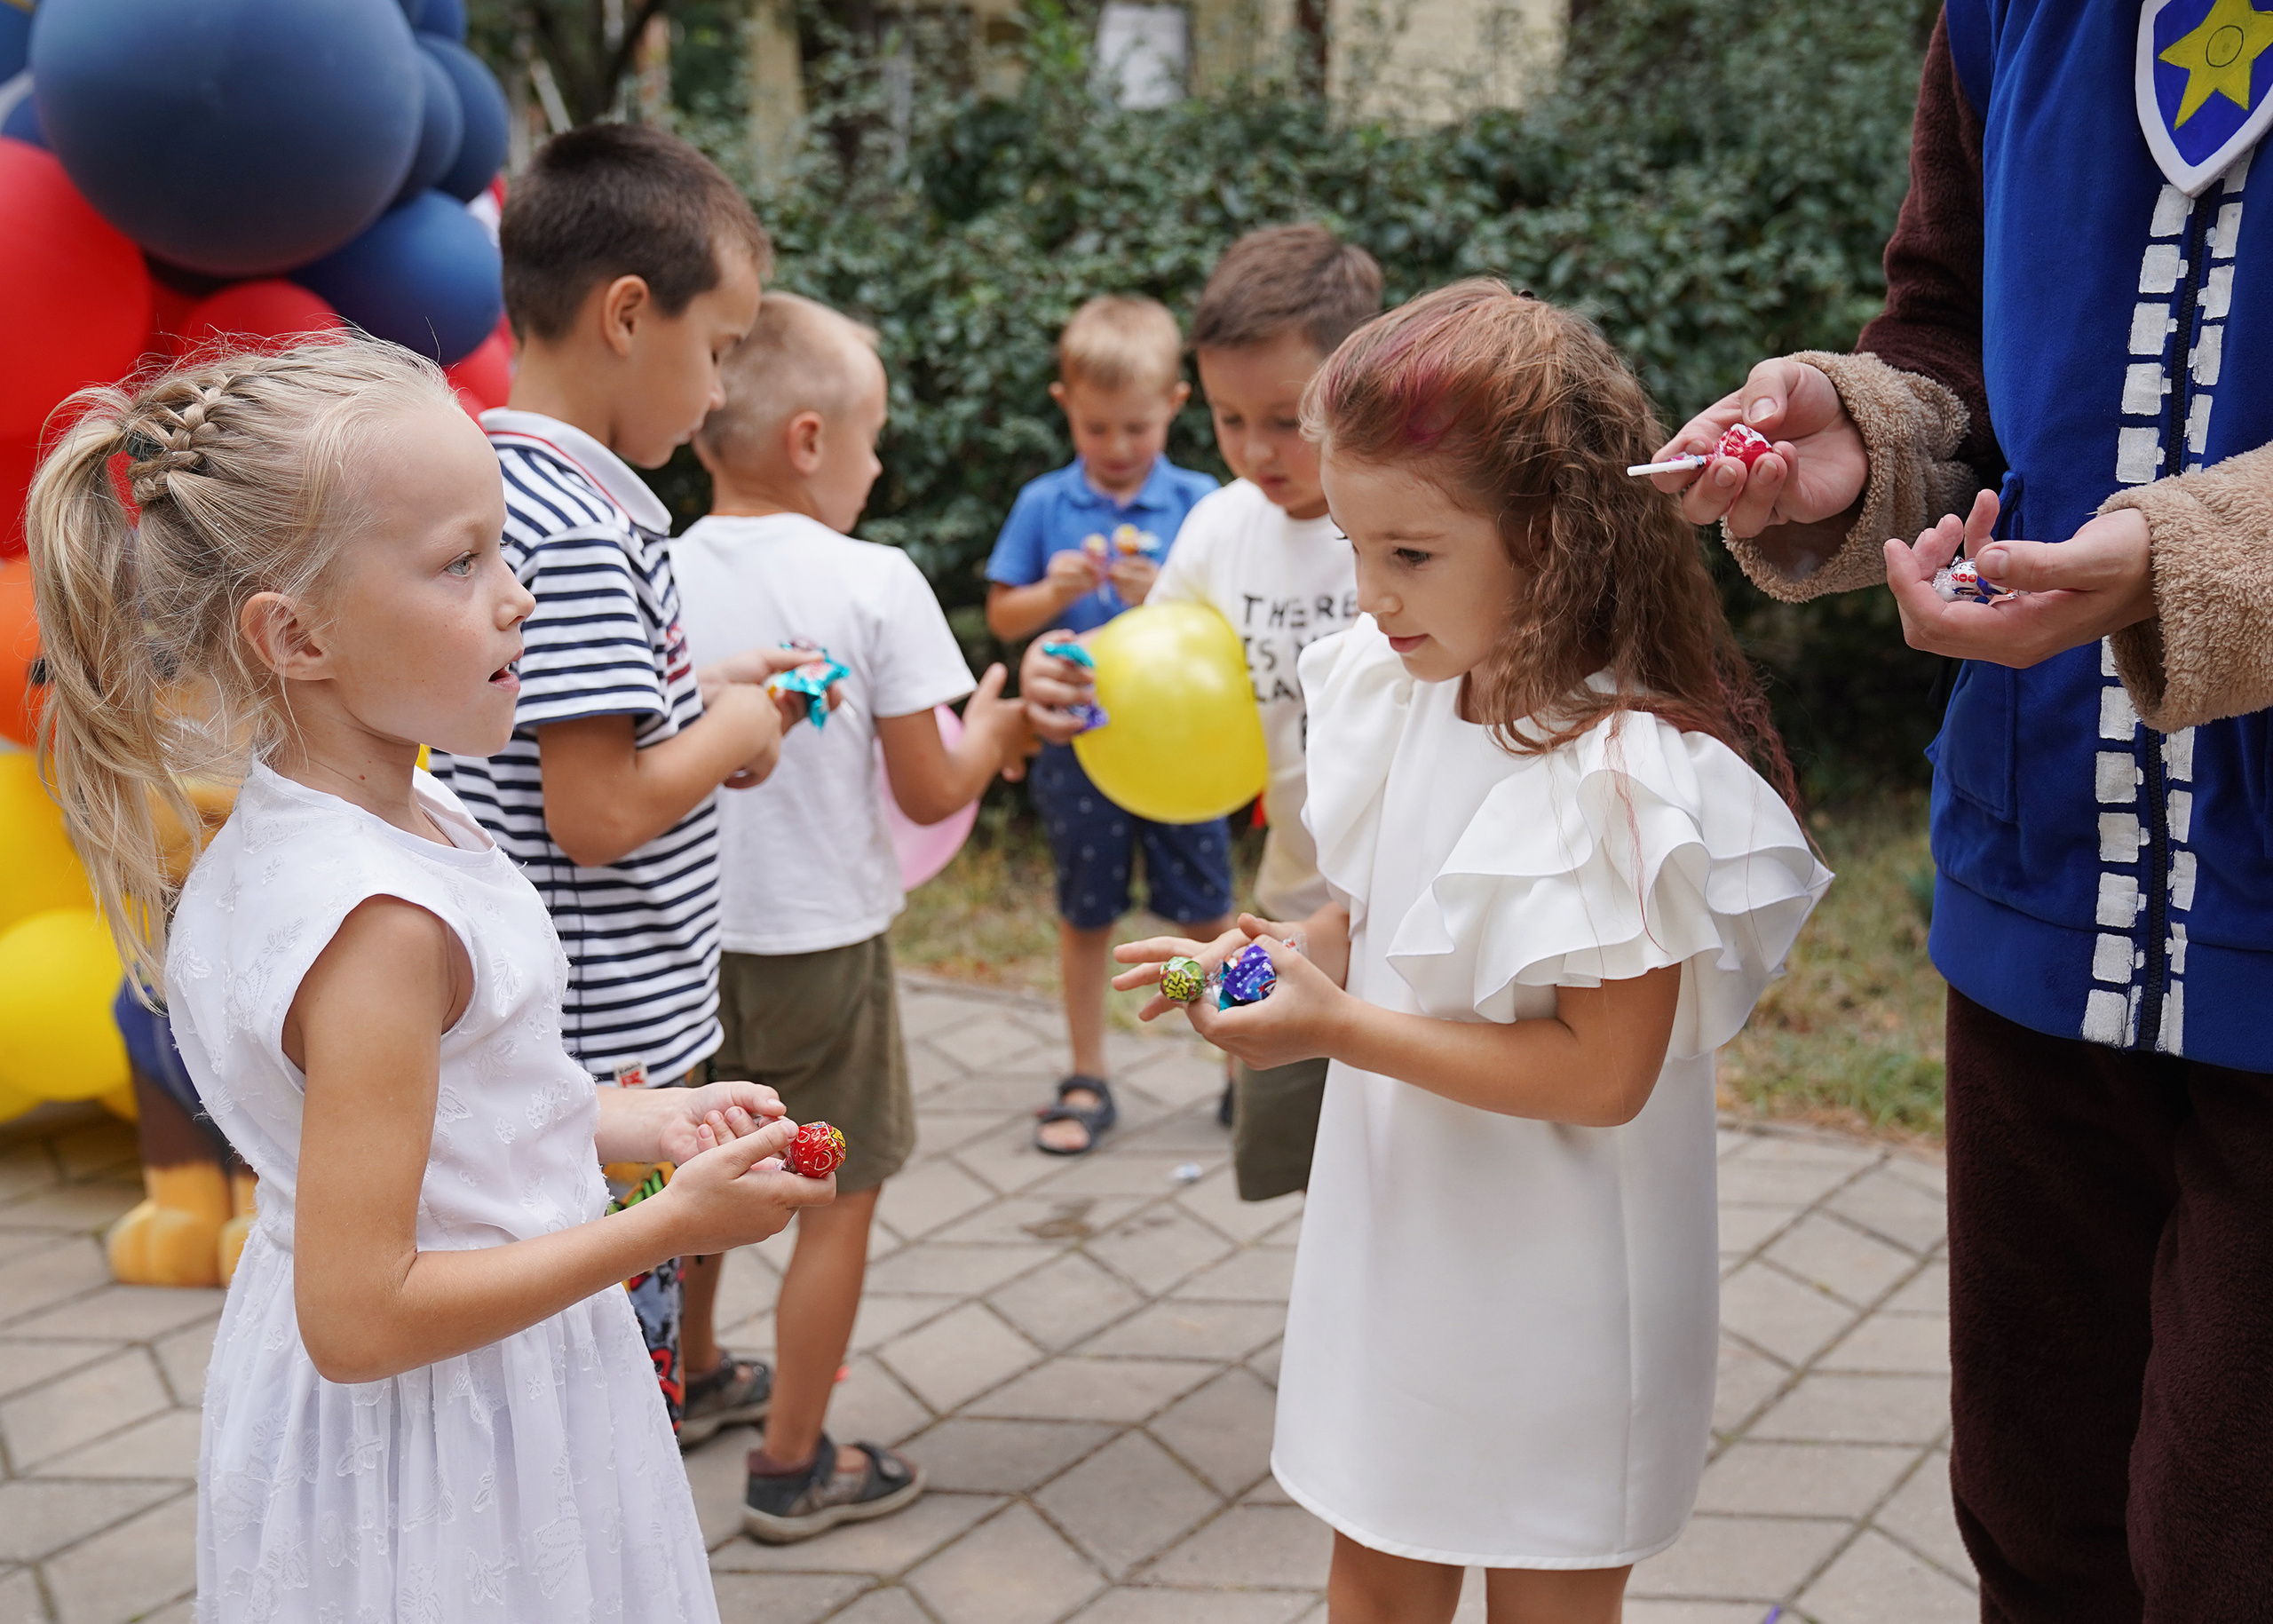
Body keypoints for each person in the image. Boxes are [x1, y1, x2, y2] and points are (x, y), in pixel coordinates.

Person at [25, 338, 836, 1622]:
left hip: (457, 1388)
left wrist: (638, 1122)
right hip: (453, 1426)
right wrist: (664, 1227)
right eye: (461, 563)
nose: (517, 596)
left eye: (503, 548)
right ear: (296, 636)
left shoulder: (402, 814)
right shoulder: (377, 927)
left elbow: (468, 1109)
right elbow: (360, 1313)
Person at [1652, 5, 2273, 1612]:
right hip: (2043, 896)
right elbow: (1949, 348)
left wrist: (2183, 558)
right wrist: (1857, 447)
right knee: (2035, 1518)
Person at [1116, 284, 1829, 1623]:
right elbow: (1381, 922)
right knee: (1374, 1577)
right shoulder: (1399, 694)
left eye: (1413, 554)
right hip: (1401, 1231)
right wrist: (1272, 960)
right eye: (1350, 543)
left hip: (1560, 1283)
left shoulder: (1622, 775)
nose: (1370, 593)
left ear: (1552, 537)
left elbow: (1602, 1074)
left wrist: (1335, 1025)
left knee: (1545, 1599)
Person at [428, 123, 791, 1446]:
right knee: (604, 1391)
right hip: (610, 1035)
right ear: (630, 315)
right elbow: (597, 815)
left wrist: (698, 702)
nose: (719, 390)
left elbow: (568, 738)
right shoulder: (579, 527)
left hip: (577, 1026)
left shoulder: (504, 482)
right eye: (722, 347)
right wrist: (738, 724)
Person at [672, 292, 1031, 1540]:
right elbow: (932, 786)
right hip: (823, 942)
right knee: (838, 1188)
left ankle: (689, 1377)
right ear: (813, 440)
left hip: (683, 947)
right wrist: (991, 731)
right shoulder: (875, 581)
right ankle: (791, 1463)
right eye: (875, 441)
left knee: (700, 1158)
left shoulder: (653, 570)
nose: (881, 468)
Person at [1132, 221, 1382, 1197]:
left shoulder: (1418, 516)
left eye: (1284, 418)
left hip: (1418, 916)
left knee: (1418, 1155)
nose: (1254, 450)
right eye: (1229, 420)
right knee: (1304, 1158)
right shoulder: (1218, 526)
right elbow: (1154, 682)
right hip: (1288, 905)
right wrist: (1077, 694)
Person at [982, 296, 1226, 1154]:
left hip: (1182, 753)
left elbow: (1224, 627)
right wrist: (1052, 592)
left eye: (1135, 427)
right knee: (1086, 915)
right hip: (1076, 749)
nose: (1117, 449)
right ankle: (1088, 1070)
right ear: (1065, 408)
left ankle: (1238, 1060)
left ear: (1174, 406)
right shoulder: (1044, 502)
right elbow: (1006, 618)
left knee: (1207, 915)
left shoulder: (1204, 505)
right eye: (1096, 429)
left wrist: (1158, 592)